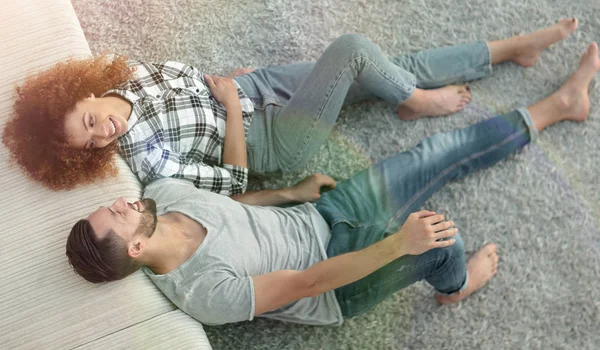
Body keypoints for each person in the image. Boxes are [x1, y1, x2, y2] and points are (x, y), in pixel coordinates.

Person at [64, 41, 598, 325]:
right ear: (135, 245)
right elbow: (306, 284)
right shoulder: (205, 294)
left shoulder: (162, 198)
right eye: (116, 214)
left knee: (434, 153)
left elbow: (233, 201)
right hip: (339, 283)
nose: (119, 200)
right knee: (445, 242)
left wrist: (291, 194)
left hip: (317, 218)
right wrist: (396, 245)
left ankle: (556, 108)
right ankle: (456, 289)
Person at [3, 19, 579, 200]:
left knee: (382, 60)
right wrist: (229, 106)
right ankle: (419, 102)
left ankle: (509, 50)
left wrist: (228, 87)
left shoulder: (130, 73)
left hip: (256, 89)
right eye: (91, 143)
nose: (104, 132)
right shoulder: (142, 156)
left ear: (81, 92)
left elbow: (188, 81)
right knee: (355, 51)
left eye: (89, 121)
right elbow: (233, 181)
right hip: (269, 140)